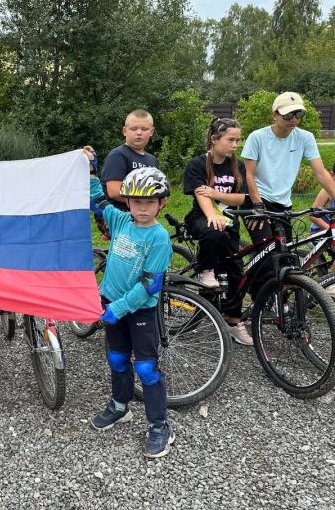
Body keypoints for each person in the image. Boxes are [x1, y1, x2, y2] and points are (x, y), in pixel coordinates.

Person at [90, 167, 174, 459]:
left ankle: (159, 425)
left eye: (150, 202)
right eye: (136, 201)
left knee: (147, 369)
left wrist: (118, 308)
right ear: (127, 202)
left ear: (162, 203)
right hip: (112, 304)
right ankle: (119, 405)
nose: (142, 208)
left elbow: (150, 285)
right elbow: (98, 202)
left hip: (138, 312)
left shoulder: (159, 237)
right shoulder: (121, 220)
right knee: (117, 358)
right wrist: (89, 169)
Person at [183, 118, 251, 346]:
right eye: (231, 140)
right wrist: (212, 213)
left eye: (237, 140)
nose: (235, 145)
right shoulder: (197, 164)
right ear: (214, 139)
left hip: (229, 222)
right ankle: (205, 270)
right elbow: (200, 193)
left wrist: (216, 193)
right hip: (201, 218)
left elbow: (240, 198)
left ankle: (234, 321)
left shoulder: (237, 166)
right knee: (213, 229)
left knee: (236, 272)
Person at [242, 91, 335, 244]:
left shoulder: (305, 137)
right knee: (269, 256)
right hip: (256, 198)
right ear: (275, 115)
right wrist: (258, 205)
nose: (294, 119)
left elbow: (321, 173)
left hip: (283, 203)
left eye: (298, 114)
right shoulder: (257, 137)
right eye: (288, 115)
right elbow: (249, 175)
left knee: (286, 256)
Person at [100, 109, 160, 211]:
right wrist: (145, 202)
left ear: (151, 132)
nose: (139, 133)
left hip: (145, 217)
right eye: (133, 129)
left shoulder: (153, 160)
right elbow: (114, 191)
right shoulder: (118, 155)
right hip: (120, 218)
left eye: (144, 129)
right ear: (124, 131)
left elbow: (157, 189)